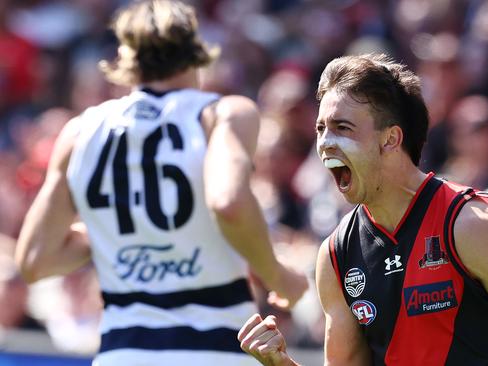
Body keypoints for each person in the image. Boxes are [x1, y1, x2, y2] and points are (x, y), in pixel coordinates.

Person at [238, 54, 488, 365]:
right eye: (321, 129)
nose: (326, 143)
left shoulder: (470, 226)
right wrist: (279, 364)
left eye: (342, 128)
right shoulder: (336, 255)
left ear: (391, 139)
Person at [14, 1, 307, 365]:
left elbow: (34, 260)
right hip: (214, 352)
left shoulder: (79, 132)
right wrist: (278, 276)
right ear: (198, 53)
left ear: (125, 61)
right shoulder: (223, 114)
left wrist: (128, 235)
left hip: (122, 354)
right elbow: (228, 202)